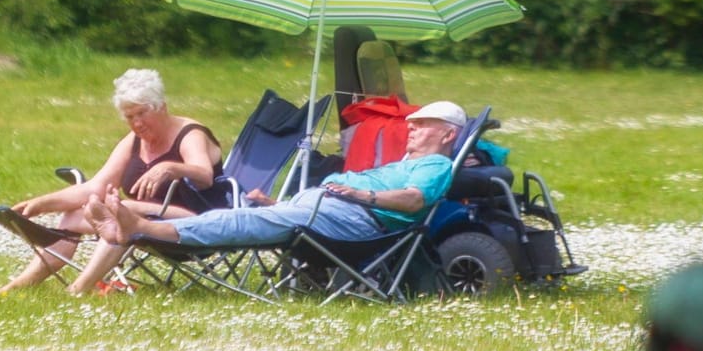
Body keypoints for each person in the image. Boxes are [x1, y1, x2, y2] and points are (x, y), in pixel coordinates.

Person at [84, 101, 467, 252]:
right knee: (256, 212)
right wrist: (283, 202)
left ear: (448, 134)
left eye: (422, 125)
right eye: (412, 124)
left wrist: (361, 196)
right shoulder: (397, 164)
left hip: (357, 220)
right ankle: (134, 227)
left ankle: (142, 228)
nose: (411, 129)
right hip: (322, 208)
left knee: (247, 219)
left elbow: (415, 200)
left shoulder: (435, 166)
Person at [0, 68, 224, 294]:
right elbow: (96, 186)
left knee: (119, 211)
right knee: (73, 216)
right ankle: (20, 285)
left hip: (197, 223)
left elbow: (204, 175)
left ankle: (78, 289)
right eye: (129, 117)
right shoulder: (134, 140)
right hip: (145, 219)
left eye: (142, 113)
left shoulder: (190, 134)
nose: (137, 123)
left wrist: (170, 167)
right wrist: (40, 204)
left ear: (162, 107)